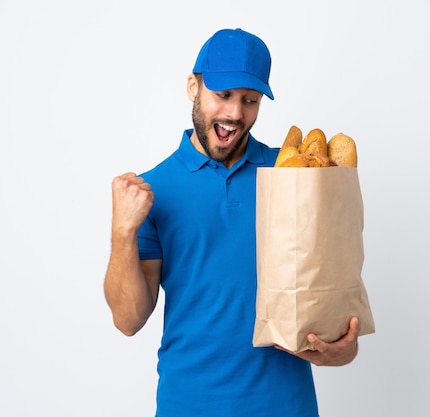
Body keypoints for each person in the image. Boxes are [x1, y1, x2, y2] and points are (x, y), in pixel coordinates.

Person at [103, 28, 360, 417]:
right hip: (188, 405)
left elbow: (332, 304)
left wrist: (341, 349)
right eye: (222, 95)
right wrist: (123, 232)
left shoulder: (294, 175)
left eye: (249, 100)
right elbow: (128, 320)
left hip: (286, 406)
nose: (235, 114)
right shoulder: (153, 189)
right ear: (193, 87)